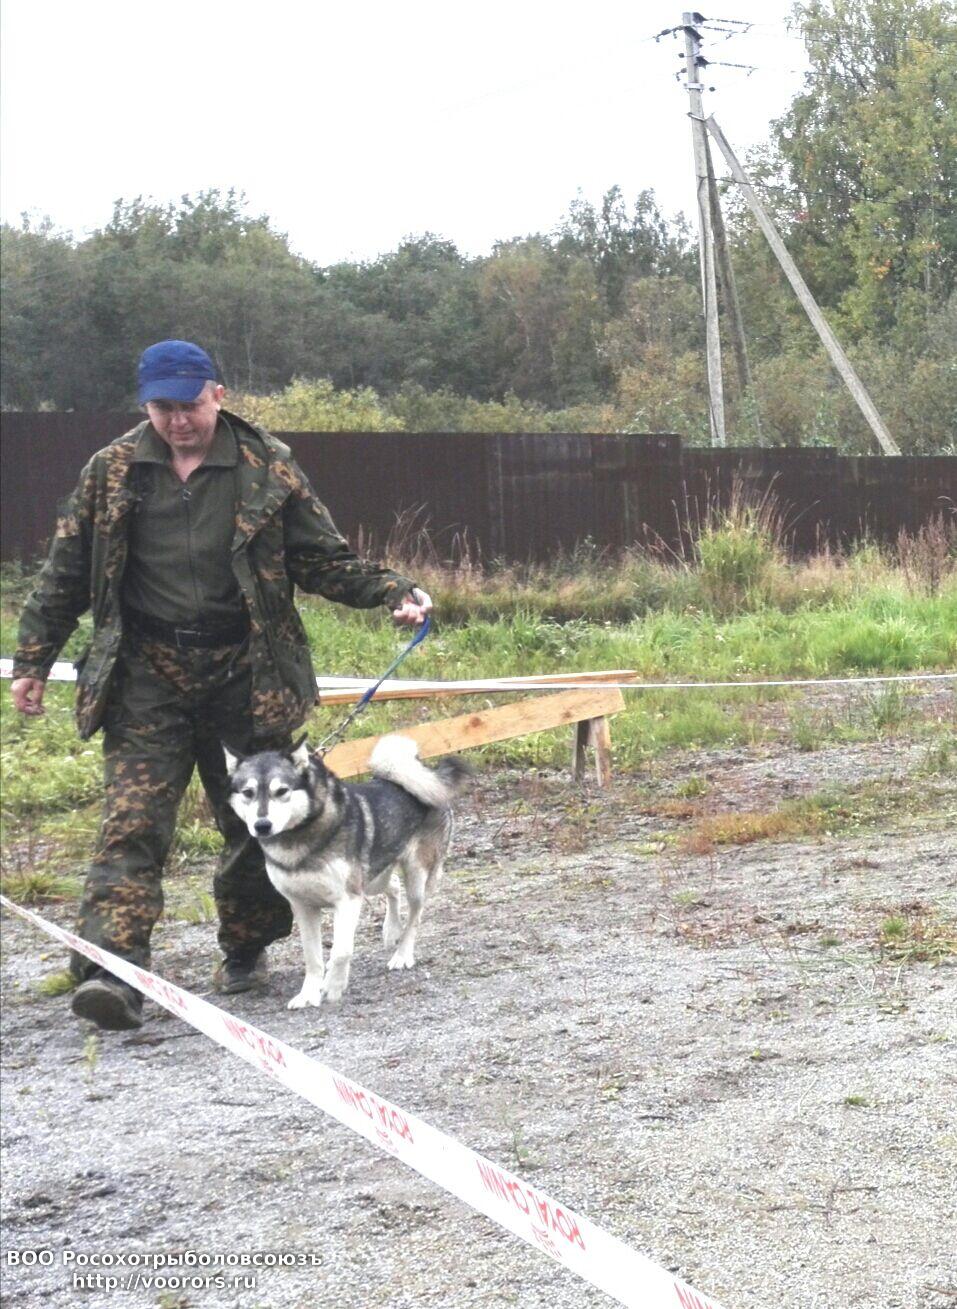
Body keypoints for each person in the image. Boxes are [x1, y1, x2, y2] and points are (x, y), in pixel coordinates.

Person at [10, 339, 432, 1032]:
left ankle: (245, 948)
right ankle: (115, 972)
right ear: (145, 405)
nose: (178, 421)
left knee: (253, 819)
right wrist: (32, 659)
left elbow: (322, 559)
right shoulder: (111, 470)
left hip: (248, 670)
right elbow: (65, 571)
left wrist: (392, 591)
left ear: (218, 395)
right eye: (162, 408)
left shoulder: (268, 465)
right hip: (144, 674)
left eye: (190, 405)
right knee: (131, 823)